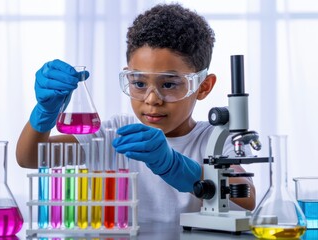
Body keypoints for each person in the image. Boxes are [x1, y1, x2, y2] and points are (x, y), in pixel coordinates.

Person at [16, 3, 256, 223]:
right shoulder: (115, 136)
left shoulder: (215, 139)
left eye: (169, 85)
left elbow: (247, 199)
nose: (152, 100)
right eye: (139, 84)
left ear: (203, 87)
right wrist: (45, 112)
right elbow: (30, 158)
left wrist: (175, 166)